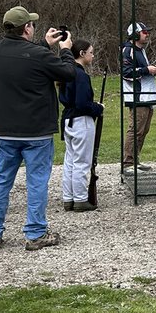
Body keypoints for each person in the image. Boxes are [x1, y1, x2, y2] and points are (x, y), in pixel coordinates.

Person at [0, 6, 76, 251]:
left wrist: (44, 44)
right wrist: (65, 50)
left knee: (0, 181)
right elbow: (67, 73)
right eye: (31, 24)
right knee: (36, 183)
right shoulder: (37, 54)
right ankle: (35, 233)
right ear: (26, 28)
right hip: (36, 131)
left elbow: (26, 61)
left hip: (3, 129)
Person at [60, 40, 103, 212]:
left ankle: (68, 198)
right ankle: (79, 199)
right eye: (91, 52)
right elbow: (83, 103)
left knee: (70, 161)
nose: (92, 55)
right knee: (81, 162)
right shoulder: (81, 75)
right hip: (80, 121)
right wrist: (98, 108)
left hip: (69, 120)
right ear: (82, 53)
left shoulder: (67, 72)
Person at [121, 22, 156, 171]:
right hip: (137, 96)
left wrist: (150, 70)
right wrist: (147, 70)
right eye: (144, 32)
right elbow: (126, 73)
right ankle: (128, 163)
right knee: (136, 129)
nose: (147, 34)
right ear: (135, 34)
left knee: (143, 130)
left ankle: (135, 160)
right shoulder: (128, 50)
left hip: (146, 95)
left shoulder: (139, 50)